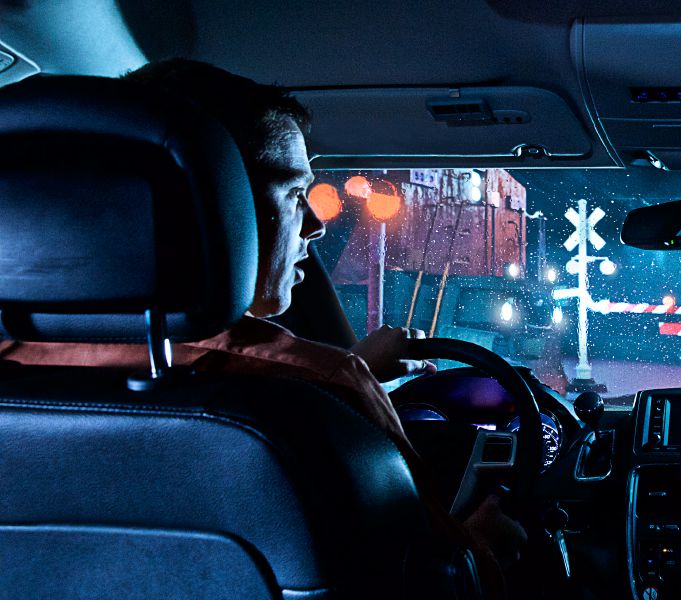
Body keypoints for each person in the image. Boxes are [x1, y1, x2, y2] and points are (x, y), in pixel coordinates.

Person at [0, 59, 524, 589]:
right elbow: (433, 577)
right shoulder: (315, 391)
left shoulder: (13, 373)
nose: (316, 225)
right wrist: (486, 547)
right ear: (223, 202)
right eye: (296, 194)